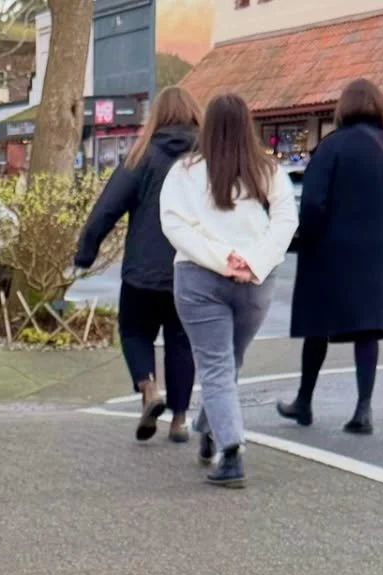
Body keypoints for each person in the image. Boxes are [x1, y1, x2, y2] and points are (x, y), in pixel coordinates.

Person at [159, 93, 297, 489]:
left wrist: (221, 259)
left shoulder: (184, 172)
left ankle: (231, 451)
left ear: (207, 127)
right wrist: (254, 261)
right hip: (256, 282)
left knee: (218, 364)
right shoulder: (267, 170)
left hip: (199, 277)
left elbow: (175, 225)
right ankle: (214, 430)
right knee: (228, 362)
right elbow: (286, 220)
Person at [278, 77, 383, 435]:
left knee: (317, 327)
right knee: (367, 330)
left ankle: (304, 401)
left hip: (329, 251)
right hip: (376, 255)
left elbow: (312, 202)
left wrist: (310, 236)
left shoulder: (331, 147)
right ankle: (363, 408)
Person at [74, 86, 201, 445]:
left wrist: (86, 252)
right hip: (191, 267)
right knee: (181, 341)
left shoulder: (142, 156)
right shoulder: (206, 158)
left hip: (143, 272)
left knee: (133, 331)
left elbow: (107, 208)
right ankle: (179, 419)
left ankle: (148, 388)